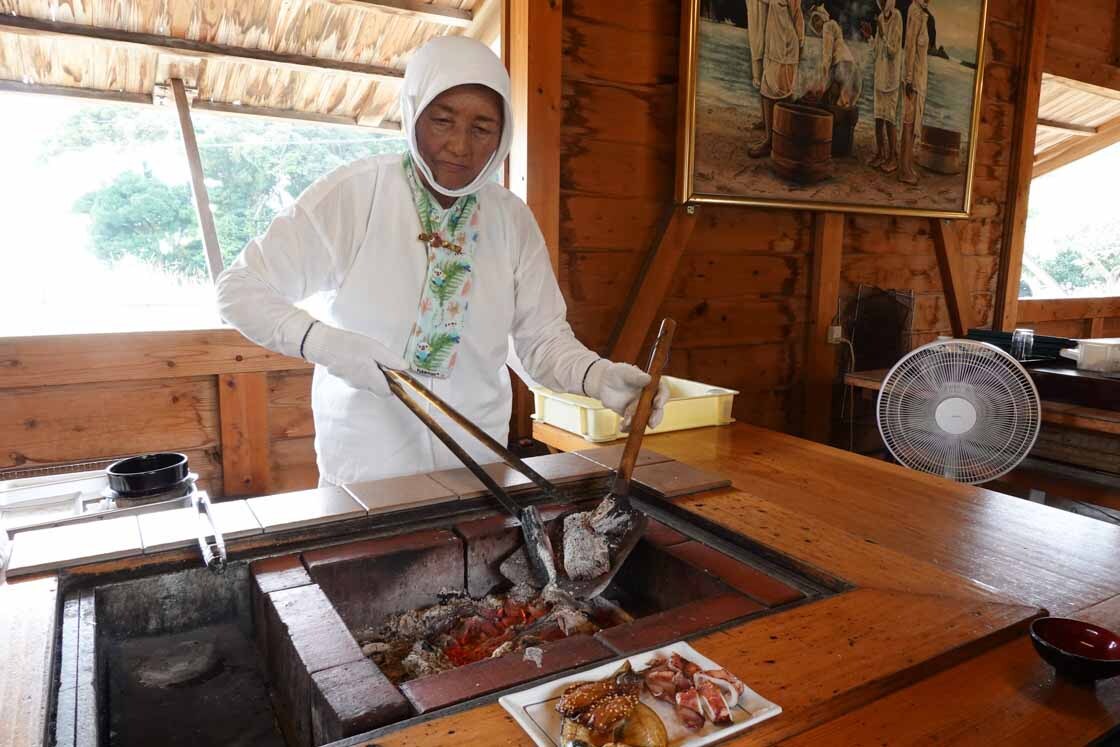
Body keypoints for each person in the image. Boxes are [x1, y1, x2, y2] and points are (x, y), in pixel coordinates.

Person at [215, 36, 669, 487]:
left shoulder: (511, 219)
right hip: (366, 472)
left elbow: (542, 341)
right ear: (413, 113)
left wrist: (597, 377)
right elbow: (238, 288)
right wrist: (325, 343)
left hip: (479, 472)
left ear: (503, 135)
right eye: (442, 120)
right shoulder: (357, 194)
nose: (459, 146)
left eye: (482, 128)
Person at [748, 0, 805, 158]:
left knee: (779, 92)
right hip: (774, 47)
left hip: (785, 48)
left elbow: (797, 15)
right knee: (768, 90)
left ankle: (773, 141)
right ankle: (773, 137)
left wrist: (800, 44)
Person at [865, 0, 903, 172]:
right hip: (880, 76)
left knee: (890, 119)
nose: (881, 3)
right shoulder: (880, 17)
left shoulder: (897, 17)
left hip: (891, 79)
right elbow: (876, 51)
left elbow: (893, 51)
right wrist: (870, 37)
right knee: (878, 118)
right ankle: (880, 153)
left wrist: (882, 32)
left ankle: (892, 158)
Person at [900, 0, 932, 185]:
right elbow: (910, 47)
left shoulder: (922, 13)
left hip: (920, 79)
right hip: (913, 80)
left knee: (912, 124)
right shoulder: (915, 12)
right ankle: (904, 169)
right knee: (908, 123)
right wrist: (909, 79)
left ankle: (907, 165)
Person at [807, 5, 862, 110]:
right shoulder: (835, 28)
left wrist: (823, 82)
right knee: (843, 106)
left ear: (823, 17)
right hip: (853, 70)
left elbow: (827, 57)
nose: (815, 24)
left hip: (842, 67)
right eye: (813, 22)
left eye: (817, 20)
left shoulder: (827, 26)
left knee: (828, 102)